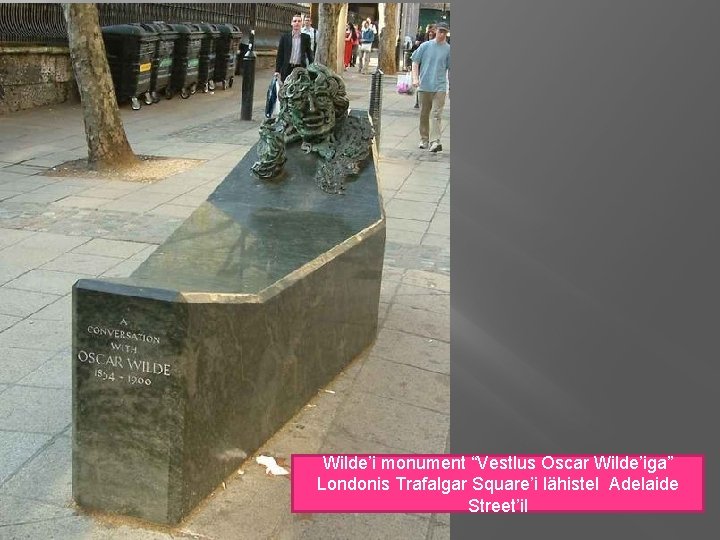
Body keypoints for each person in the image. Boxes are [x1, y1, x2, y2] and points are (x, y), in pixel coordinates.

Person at [411, 21, 450, 153]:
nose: (442, 34)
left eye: (445, 32)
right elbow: (415, 62)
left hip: (440, 86)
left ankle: (435, 141)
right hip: (424, 85)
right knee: (424, 114)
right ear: (435, 31)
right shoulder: (425, 46)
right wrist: (415, 78)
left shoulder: (448, 49)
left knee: (436, 114)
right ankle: (424, 139)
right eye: (440, 31)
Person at [275, 13, 314, 82]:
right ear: (291, 23)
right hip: (287, 68)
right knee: (285, 89)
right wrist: (277, 70)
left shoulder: (306, 38)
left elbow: (310, 55)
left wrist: (312, 69)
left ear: (301, 24)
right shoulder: (285, 37)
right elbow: (280, 55)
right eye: (295, 21)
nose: (297, 23)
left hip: (300, 69)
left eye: (299, 21)